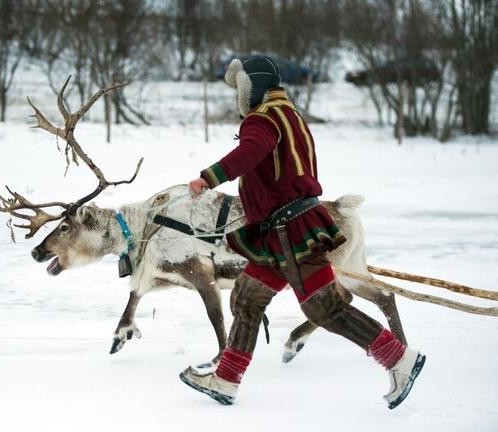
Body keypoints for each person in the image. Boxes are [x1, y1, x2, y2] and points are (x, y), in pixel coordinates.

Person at [179, 55, 425, 409]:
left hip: (288, 232)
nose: (239, 98)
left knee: (325, 309)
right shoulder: (290, 115)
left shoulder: (262, 120)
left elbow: (251, 151)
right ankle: (227, 379)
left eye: (242, 89)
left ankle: (399, 359)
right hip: (281, 232)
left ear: (253, 88)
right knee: (247, 300)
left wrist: (210, 176)